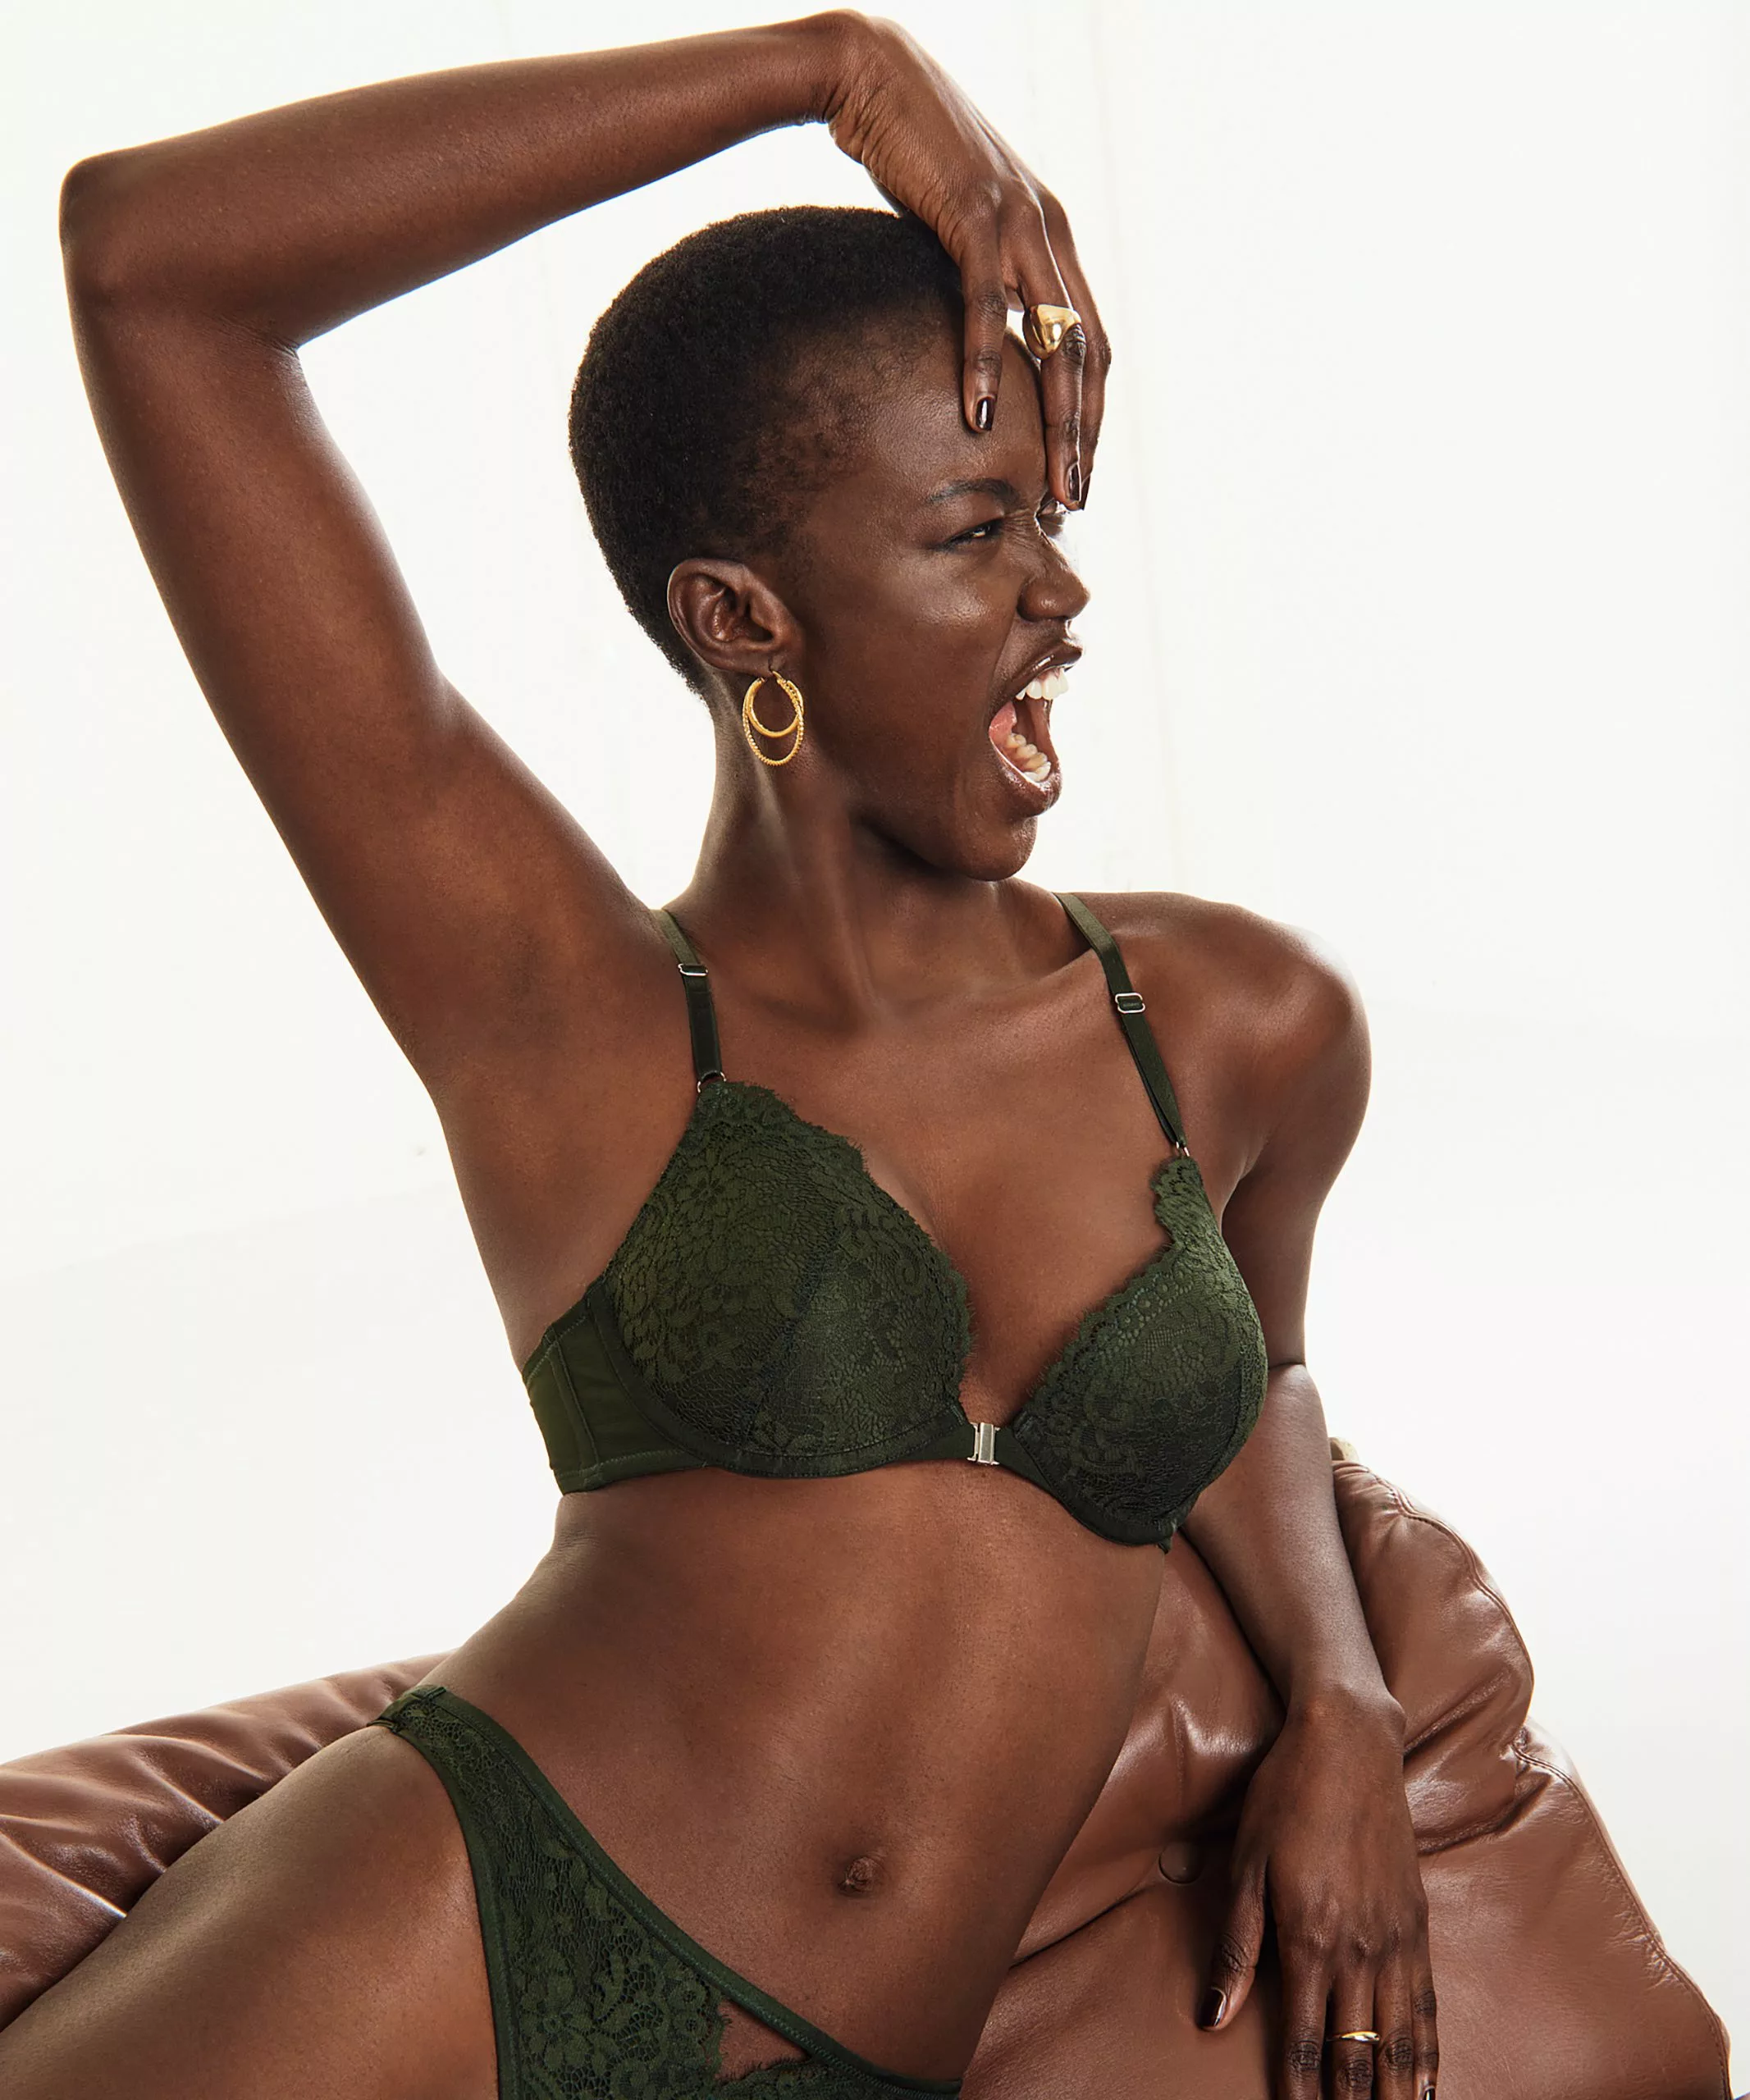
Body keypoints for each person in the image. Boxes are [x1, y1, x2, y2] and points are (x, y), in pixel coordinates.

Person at [12, 13, 1436, 2098]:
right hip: (471, 1931)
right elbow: (151, 269)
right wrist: (819, 71)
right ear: (743, 619)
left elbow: (1263, 1377)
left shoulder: (1235, 1019)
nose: (1060, 593)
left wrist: (1345, 1708)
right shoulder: (562, 1005)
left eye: (1051, 519)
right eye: (974, 532)